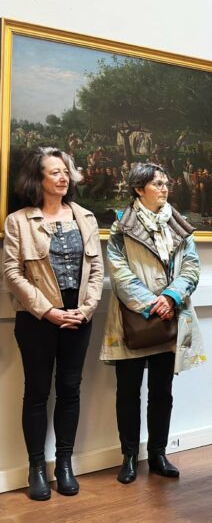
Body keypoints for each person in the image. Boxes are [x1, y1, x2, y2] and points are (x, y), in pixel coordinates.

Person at [2, 147, 103, 500]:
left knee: (70, 390)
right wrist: (47, 311)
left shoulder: (86, 217)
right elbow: (12, 273)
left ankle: (64, 464)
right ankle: (35, 469)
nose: (63, 177)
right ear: (38, 179)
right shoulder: (18, 221)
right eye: (54, 172)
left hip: (78, 318)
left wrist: (86, 309)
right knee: (37, 392)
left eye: (65, 172)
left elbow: (96, 270)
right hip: (37, 320)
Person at [100, 162, 205, 485]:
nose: (164, 188)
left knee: (163, 391)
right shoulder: (121, 226)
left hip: (170, 316)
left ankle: (158, 453)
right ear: (138, 189)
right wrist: (150, 303)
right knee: (128, 391)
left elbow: (191, 266)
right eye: (157, 184)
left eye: (165, 183)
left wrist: (171, 297)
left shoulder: (178, 224)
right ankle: (129, 456)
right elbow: (118, 271)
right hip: (133, 319)